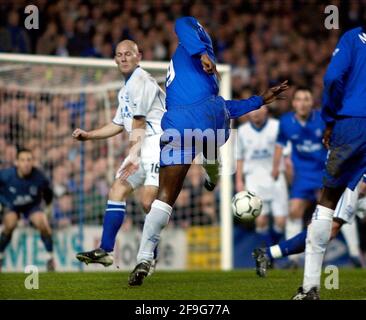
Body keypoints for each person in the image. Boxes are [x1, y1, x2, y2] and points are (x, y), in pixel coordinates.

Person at [128, 16, 289, 286]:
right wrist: (260, 100)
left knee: (164, 199)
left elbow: (181, 24)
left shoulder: (195, 52)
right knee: (215, 128)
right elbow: (182, 24)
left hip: (180, 122)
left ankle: (145, 257)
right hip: (209, 117)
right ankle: (212, 171)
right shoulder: (198, 46)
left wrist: (260, 98)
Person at [73, 40, 166, 267]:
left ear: (138, 57)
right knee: (117, 189)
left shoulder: (142, 81)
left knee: (147, 203)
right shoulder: (125, 89)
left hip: (157, 144)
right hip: (140, 145)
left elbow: (140, 121)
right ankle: (106, 250)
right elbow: (118, 124)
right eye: (119, 55)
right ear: (115, 59)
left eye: (128, 54)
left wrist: (133, 155)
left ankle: (150, 254)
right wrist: (89, 135)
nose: (123, 58)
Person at [292, 25, 366, 300]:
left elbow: (333, 77)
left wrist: (329, 118)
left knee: (327, 203)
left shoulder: (352, 38)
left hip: (352, 125)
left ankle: (310, 287)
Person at [253, 177, 366, 277]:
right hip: (354, 182)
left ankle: (268, 253)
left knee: (328, 228)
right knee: (327, 228)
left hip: (355, 180)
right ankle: (269, 254)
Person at [272, 87, 327, 266]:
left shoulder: (322, 118)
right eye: (299, 100)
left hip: (322, 173)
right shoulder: (286, 121)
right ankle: (293, 259)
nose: (302, 104)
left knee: (325, 215)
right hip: (302, 174)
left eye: (306, 99)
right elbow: (280, 144)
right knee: (294, 211)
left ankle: (342, 254)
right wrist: (275, 167)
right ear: (294, 103)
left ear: (312, 103)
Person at [236, 106, 288, 252]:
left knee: (281, 222)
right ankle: (268, 255)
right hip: (254, 179)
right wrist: (239, 180)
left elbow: (286, 151)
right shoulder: (242, 131)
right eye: (252, 110)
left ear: (266, 110)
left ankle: (269, 252)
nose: (255, 113)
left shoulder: (277, 126)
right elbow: (239, 157)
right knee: (261, 220)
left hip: (276, 177)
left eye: (259, 109)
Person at [0, 148, 55, 271]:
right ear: (16, 162)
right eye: (23, 160)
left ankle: (50, 258)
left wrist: (48, 208)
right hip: (11, 205)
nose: (26, 163)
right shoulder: (5, 175)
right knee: (10, 224)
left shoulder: (40, 177)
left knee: (43, 223)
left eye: (29, 160)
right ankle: (0, 254)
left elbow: (48, 194)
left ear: (32, 162)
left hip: (32, 206)